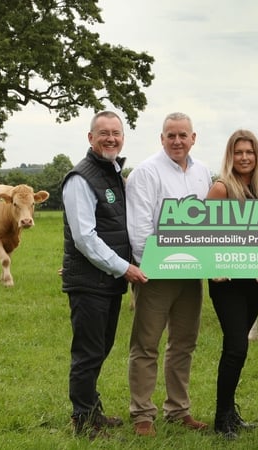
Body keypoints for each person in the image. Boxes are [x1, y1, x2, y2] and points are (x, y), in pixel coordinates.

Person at [125, 112, 212, 437]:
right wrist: (150, 266)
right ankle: (142, 414)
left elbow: (208, 223)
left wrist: (210, 263)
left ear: (193, 138)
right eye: (171, 135)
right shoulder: (146, 172)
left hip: (191, 273)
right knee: (146, 344)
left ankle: (178, 409)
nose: (177, 141)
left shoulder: (203, 172)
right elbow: (139, 225)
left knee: (184, 342)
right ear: (162, 138)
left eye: (183, 135)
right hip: (156, 273)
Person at [61, 111, 145, 439]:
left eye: (116, 133)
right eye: (104, 133)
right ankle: (83, 421)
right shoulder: (81, 178)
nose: (111, 138)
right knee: (87, 353)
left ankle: (92, 411)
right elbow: (84, 237)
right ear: (90, 138)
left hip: (105, 281)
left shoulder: (111, 174)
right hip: (92, 283)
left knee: (101, 348)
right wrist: (124, 267)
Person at [207, 129, 258, 439]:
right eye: (239, 152)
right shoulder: (221, 188)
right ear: (230, 156)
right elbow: (205, 236)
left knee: (241, 346)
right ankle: (221, 419)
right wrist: (219, 267)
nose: (245, 157)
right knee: (235, 345)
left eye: (250, 152)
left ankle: (231, 413)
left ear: (257, 156)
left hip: (255, 281)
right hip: (228, 281)